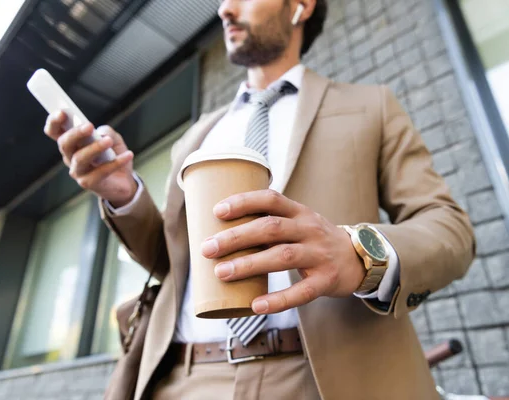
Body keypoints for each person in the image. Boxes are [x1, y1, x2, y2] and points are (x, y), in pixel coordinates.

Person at [44, 0, 475, 398]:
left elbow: (448, 226)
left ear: (301, 6)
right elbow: (171, 261)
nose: (225, 9)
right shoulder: (196, 136)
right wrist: (124, 194)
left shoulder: (372, 106)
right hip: (183, 378)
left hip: (323, 378)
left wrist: (362, 254)